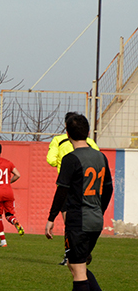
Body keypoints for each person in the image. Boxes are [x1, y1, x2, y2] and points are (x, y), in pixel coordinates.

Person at [45, 114, 113, 291]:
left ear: (67, 134)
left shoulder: (70, 159)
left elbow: (62, 191)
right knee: (77, 264)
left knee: (77, 268)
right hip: (95, 220)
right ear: (88, 132)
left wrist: (51, 218)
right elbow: (109, 189)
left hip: (77, 221)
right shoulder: (101, 157)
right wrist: (99, 210)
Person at [47, 111, 100, 265]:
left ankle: (70, 254)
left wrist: (60, 163)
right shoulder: (90, 142)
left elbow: (50, 160)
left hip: (68, 187)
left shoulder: (58, 141)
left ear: (66, 127)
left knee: (69, 223)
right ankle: (83, 251)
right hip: (89, 188)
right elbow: (97, 156)